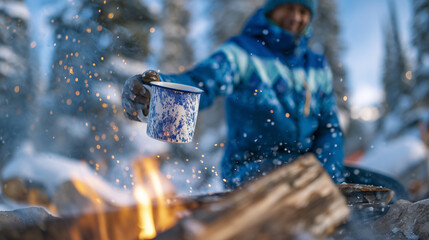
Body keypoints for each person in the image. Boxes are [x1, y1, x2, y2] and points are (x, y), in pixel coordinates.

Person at [122, 0, 346, 189]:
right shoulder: (241, 52)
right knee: (281, 182)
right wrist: (158, 89)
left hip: (305, 172)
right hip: (250, 171)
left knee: (374, 187)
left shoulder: (317, 65)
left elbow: (330, 128)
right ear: (272, 8)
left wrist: (327, 175)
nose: (296, 17)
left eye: (303, 11)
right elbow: (203, 80)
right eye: (289, 7)